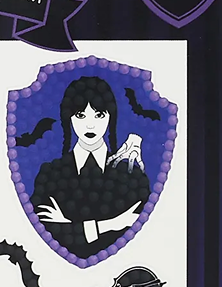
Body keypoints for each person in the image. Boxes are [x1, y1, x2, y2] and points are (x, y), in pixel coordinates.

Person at [29, 76, 150, 260]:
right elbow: (43, 231)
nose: (90, 124)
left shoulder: (130, 173)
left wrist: (69, 225)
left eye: (99, 115)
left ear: (111, 117)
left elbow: (140, 232)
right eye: (80, 115)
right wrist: (112, 224)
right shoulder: (50, 174)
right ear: (68, 118)